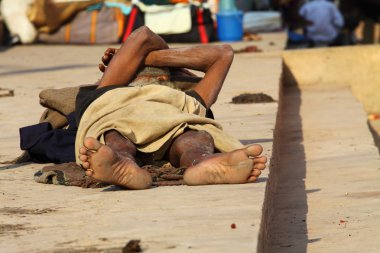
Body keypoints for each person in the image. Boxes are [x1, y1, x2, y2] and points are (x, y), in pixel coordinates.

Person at [74, 26, 267, 190]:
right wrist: (146, 57)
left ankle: (201, 162)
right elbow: (143, 37)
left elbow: (224, 53)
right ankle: (121, 161)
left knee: (193, 140)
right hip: (123, 114)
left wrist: (138, 58)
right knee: (117, 138)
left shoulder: (185, 97)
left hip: (171, 118)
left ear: (165, 79)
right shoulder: (108, 90)